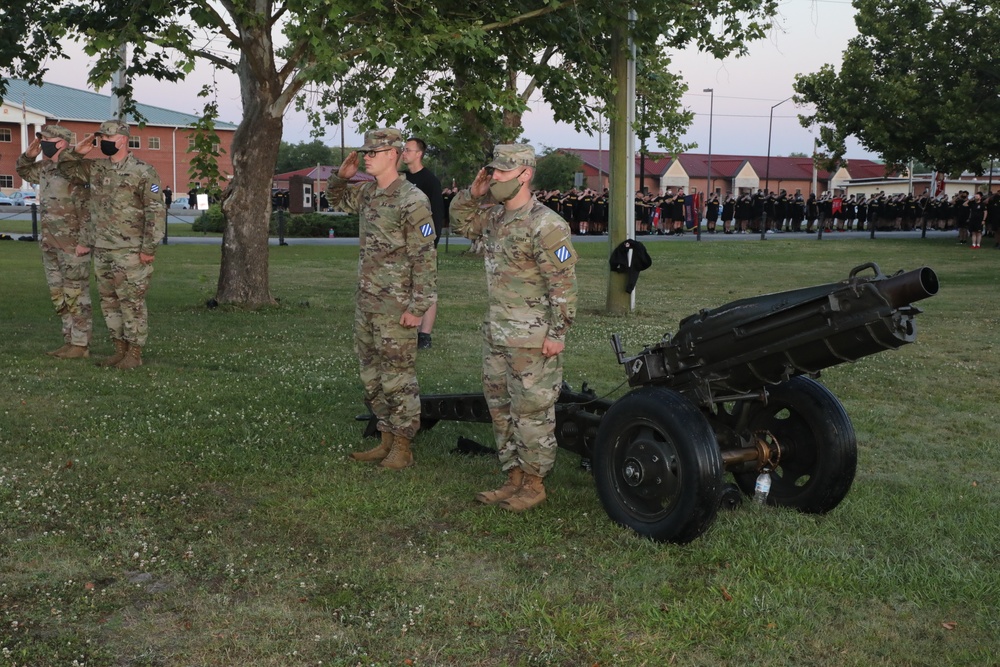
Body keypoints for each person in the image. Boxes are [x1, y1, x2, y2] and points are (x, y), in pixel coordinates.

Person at [450, 144, 578, 512]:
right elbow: (460, 222)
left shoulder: (547, 224)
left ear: (525, 174)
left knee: (532, 412)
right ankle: (514, 476)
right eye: (492, 171)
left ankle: (535, 482)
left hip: (533, 339)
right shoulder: (493, 218)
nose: (495, 178)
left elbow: (563, 286)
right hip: (498, 335)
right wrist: (470, 195)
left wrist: (558, 333)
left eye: (502, 172)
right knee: (501, 409)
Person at [326, 128, 437, 470]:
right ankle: (386, 438)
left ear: (393, 154)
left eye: (374, 152)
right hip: (368, 302)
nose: (367, 157)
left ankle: (403, 445)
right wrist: (339, 178)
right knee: (371, 374)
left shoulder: (412, 199)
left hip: (396, 305)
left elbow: (425, 257)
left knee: (398, 376)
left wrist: (417, 308)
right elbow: (335, 201)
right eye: (366, 152)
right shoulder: (368, 193)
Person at [67, 119, 164, 369]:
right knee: (109, 302)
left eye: (107, 138)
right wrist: (79, 150)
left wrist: (148, 248)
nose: (103, 143)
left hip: (130, 250)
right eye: (101, 139)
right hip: (102, 248)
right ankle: (119, 349)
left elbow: (154, 211)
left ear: (122, 139)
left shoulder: (143, 171)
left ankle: (134, 353)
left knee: (131, 302)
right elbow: (66, 168)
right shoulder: (97, 168)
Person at [15, 125, 92, 359]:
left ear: (62, 142)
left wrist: (84, 241)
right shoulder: (46, 168)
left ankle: (81, 344)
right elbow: (24, 172)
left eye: (48, 140)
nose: (43, 143)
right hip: (50, 243)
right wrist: (28, 155)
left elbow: (89, 209)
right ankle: (69, 340)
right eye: (42, 139)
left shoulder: (77, 170)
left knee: (76, 294)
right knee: (58, 294)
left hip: (73, 244)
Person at [400, 137, 445, 350]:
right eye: (403, 149)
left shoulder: (429, 181)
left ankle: (424, 335)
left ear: (419, 154)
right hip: (402, 245)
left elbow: (435, 216)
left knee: (426, 289)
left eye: (408, 150)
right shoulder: (401, 179)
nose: (404, 153)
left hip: (423, 244)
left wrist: (430, 244)